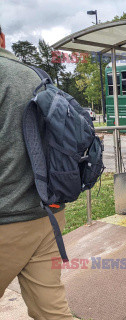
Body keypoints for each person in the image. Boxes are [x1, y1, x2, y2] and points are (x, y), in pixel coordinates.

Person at [0, 26, 74, 319]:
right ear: (3, 39)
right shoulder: (37, 77)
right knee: (52, 312)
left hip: (6, 221)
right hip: (48, 217)